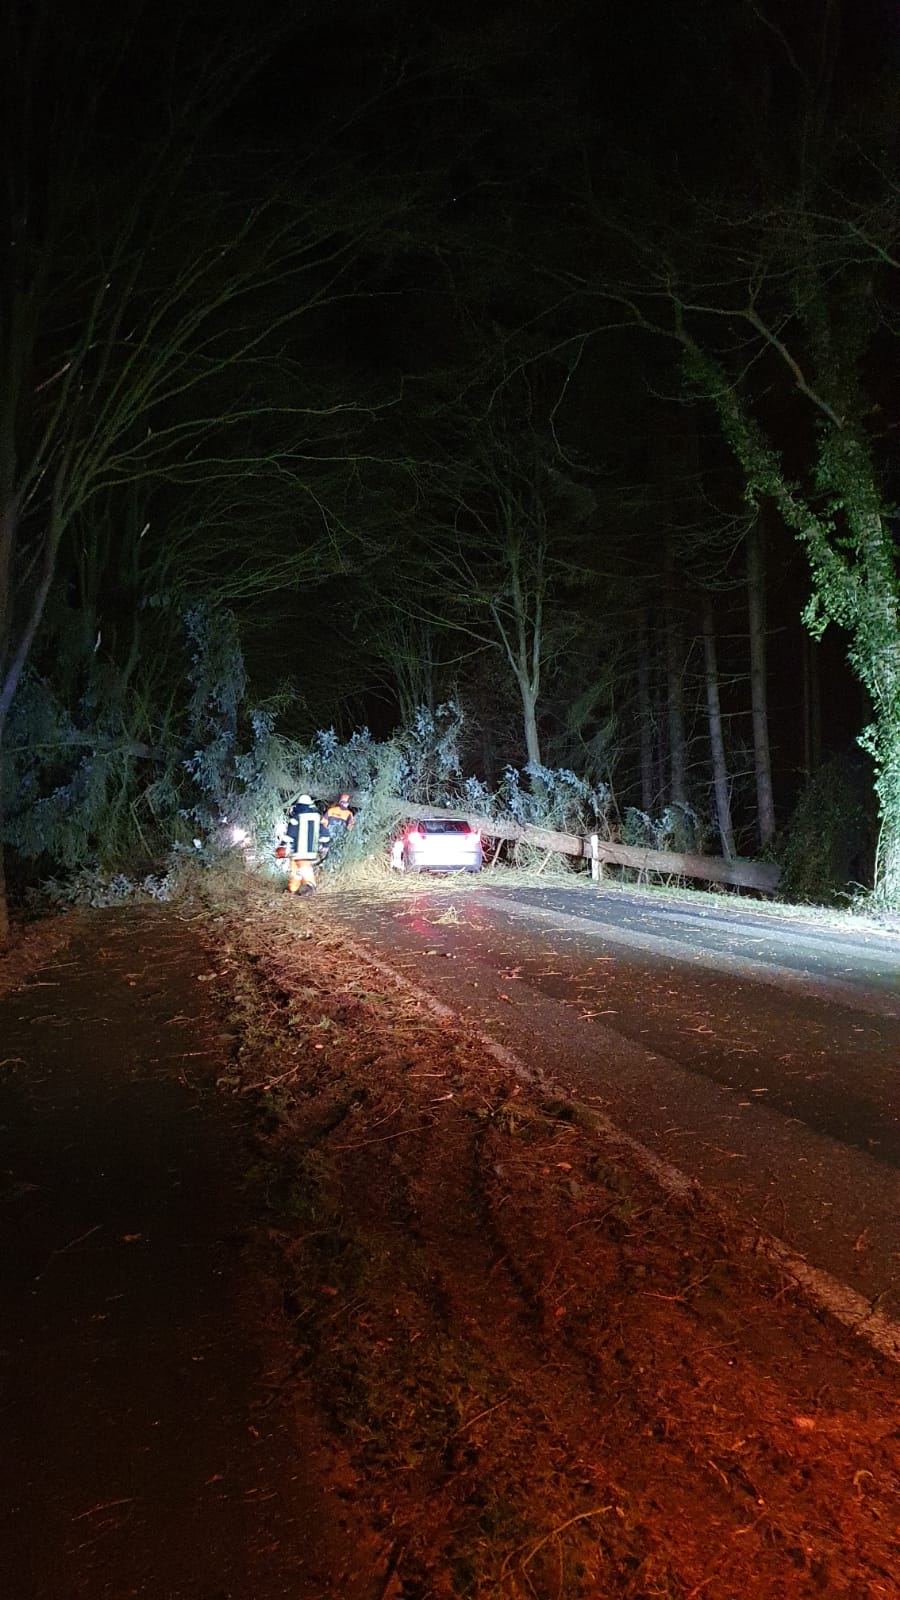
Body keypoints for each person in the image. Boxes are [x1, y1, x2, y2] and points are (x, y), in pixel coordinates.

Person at [283, 794, 321, 894]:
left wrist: (282, 845)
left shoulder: (296, 817)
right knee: (297, 871)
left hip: (299, 850)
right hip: (312, 850)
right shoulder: (316, 817)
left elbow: (290, 834)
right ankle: (293, 889)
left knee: (304, 869)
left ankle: (310, 887)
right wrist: (324, 845)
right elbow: (323, 833)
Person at [320, 791, 354, 863]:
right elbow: (350, 828)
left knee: (324, 851)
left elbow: (323, 822)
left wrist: (324, 833)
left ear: (340, 801)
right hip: (338, 838)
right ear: (347, 803)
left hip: (327, 836)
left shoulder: (332, 810)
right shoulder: (349, 814)